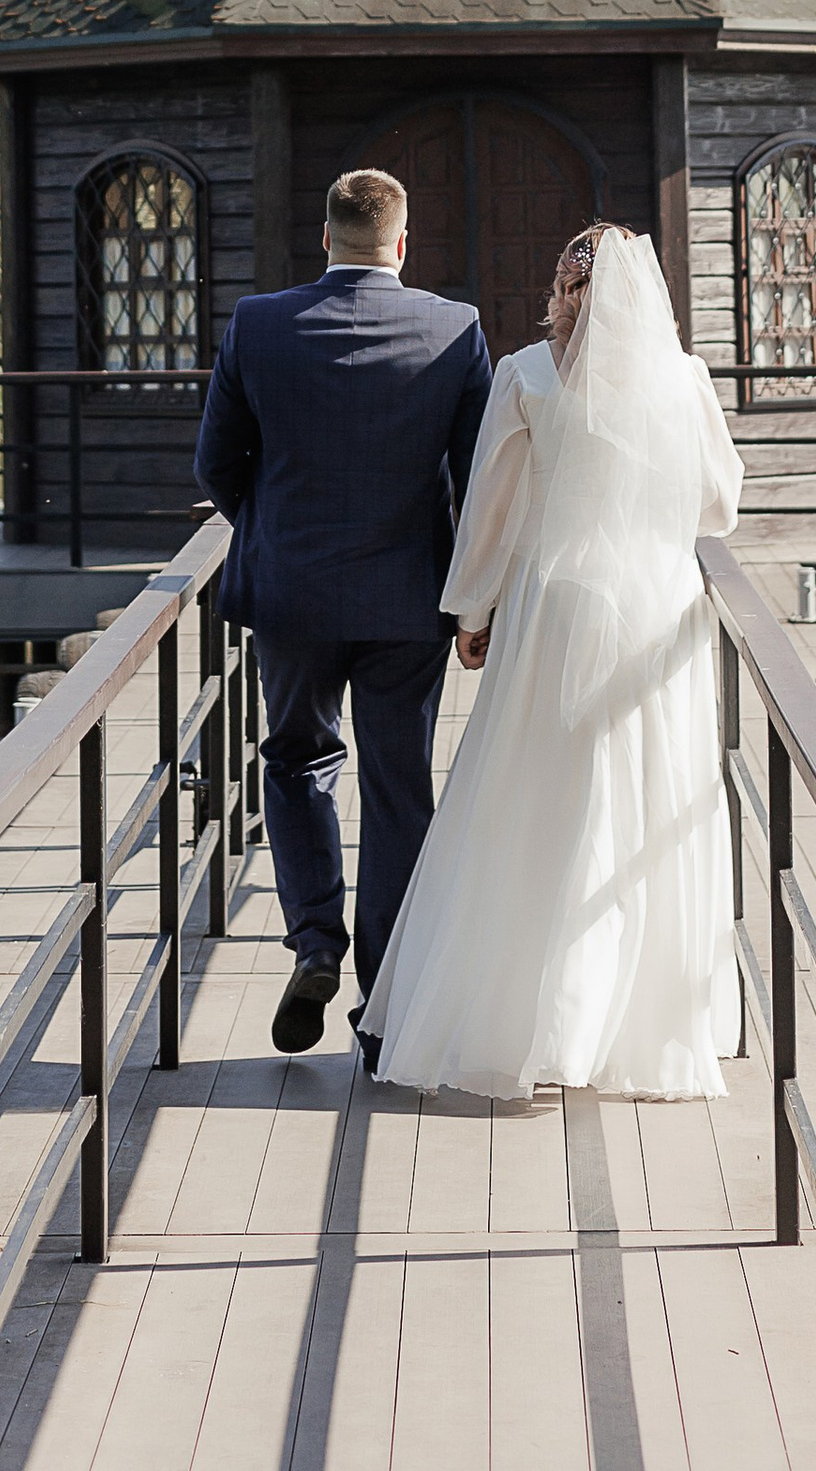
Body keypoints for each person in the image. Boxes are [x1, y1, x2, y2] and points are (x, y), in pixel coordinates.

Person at [362, 222, 745, 1101]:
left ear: (567, 293)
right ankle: (634, 1023)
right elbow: (719, 509)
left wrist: (470, 609)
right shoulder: (683, 381)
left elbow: (488, 512)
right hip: (658, 610)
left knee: (533, 798)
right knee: (648, 802)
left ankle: (534, 1018)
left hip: (556, 609)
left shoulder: (527, 374)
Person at [193, 164, 492, 1055]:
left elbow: (217, 465)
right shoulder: (453, 329)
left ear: (324, 239)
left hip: (292, 598)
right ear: (403, 244)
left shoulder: (259, 325)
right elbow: (478, 481)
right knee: (399, 789)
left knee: (294, 762)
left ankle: (314, 945)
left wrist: (276, 531)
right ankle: (384, 1000)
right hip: (410, 600)